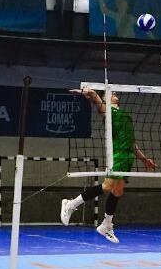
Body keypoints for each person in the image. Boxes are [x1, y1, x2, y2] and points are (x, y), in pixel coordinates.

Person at [61, 89, 155, 243]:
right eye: (111, 93)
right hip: (118, 156)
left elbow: (131, 143)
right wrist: (86, 91)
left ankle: (106, 225)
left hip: (128, 157)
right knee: (107, 186)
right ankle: (70, 204)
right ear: (105, 100)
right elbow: (94, 97)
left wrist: (144, 159)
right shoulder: (109, 112)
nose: (115, 94)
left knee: (118, 191)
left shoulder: (124, 115)